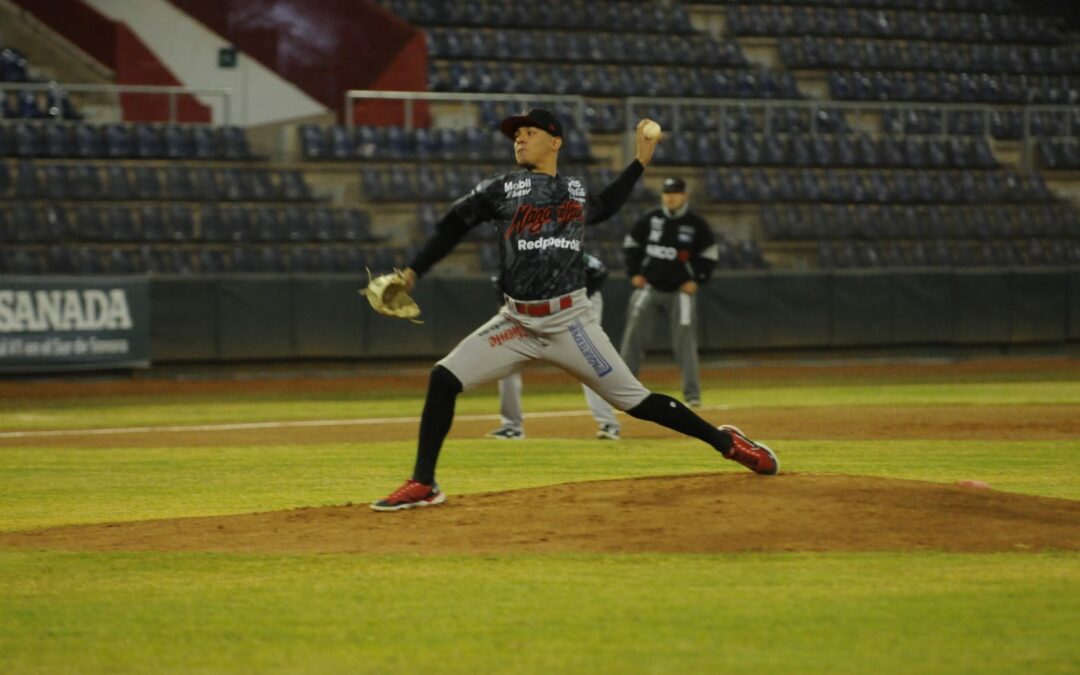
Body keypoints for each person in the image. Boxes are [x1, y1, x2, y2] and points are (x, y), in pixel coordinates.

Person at [371, 109, 778, 512]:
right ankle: (424, 483)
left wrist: (640, 162)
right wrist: (412, 273)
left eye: (530, 131)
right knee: (443, 378)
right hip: (517, 323)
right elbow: (452, 225)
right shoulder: (501, 189)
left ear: (556, 141)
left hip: (570, 323)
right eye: (517, 134)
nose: (520, 138)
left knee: (636, 402)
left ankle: (727, 443)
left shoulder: (576, 191)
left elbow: (605, 206)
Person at [487, 252, 622, 441]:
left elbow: (599, 271)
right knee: (507, 360)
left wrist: (579, 298)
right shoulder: (512, 260)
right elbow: (500, 288)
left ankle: (609, 423)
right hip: (530, 307)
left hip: (576, 304)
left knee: (589, 359)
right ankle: (511, 427)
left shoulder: (561, 249)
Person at [619, 177, 717, 408]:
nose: (670, 197)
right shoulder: (651, 219)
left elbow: (709, 255)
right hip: (650, 287)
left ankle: (692, 394)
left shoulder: (695, 224)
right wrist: (634, 272)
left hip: (680, 292)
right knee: (633, 336)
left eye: (675, 192)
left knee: (685, 343)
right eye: (666, 192)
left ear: (684, 195)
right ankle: (622, 390)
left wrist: (698, 279)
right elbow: (631, 244)